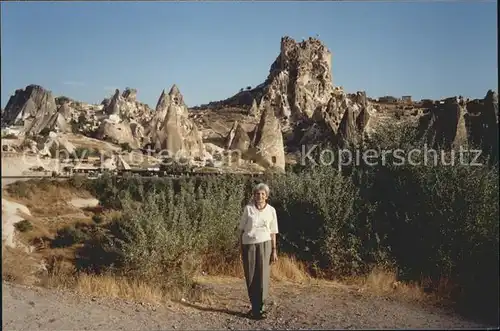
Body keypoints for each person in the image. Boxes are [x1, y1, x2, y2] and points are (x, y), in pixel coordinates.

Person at [238, 182, 279, 319]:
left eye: (262, 194)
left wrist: (274, 250)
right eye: (257, 194)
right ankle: (254, 307)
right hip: (248, 244)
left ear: (266, 196)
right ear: (254, 195)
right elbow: (241, 229)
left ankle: (260, 308)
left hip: (265, 244)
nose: (260, 196)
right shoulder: (248, 209)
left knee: (262, 276)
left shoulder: (271, 210)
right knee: (251, 276)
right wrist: (240, 248)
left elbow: (273, 232)